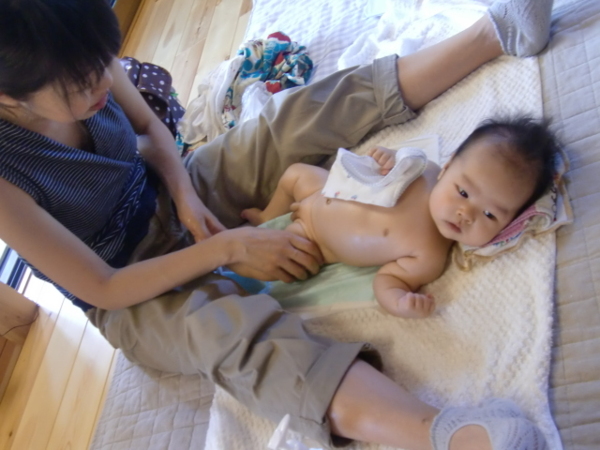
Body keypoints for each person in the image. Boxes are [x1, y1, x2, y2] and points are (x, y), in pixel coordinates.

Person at [0, 0, 554, 448]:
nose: (104, 80)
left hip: (169, 193)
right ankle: (446, 435)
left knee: (281, 125)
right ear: (10, 98)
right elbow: (102, 287)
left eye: (105, 61)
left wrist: (185, 194)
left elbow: (150, 126)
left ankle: (494, 32)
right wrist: (229, 249)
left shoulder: (77, 54)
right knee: (224, 332)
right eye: (81, 85)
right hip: (128, 285)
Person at [241, 118, 559, 319]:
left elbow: (388, 282)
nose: (466, 214)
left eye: (490, 214)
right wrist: (388, 157)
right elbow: (393, 162)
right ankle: (267, 215)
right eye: (463, 192)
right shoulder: (427, 169)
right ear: (448, 167)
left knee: (280, 258)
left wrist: (401, 303)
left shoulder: (429, 255)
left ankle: (253, 242)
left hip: (314, 237)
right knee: (294, 174)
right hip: (325, 186)